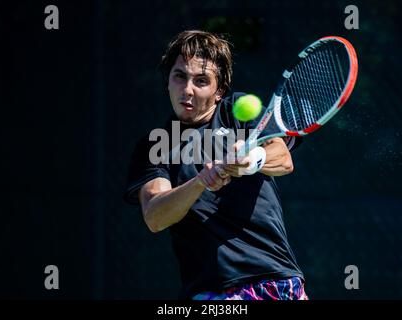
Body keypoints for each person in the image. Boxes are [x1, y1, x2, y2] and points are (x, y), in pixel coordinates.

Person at [123, 30, 308, 300]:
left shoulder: (236, 114)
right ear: (168, 81)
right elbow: (155, 215)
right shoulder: (154, 146)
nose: (187, 89)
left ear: (219, 90)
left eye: (201, 81)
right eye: (180, 76)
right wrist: (201, 181)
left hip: (275, 280)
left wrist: (251, 161)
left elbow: (282, 157)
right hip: (210, 293)